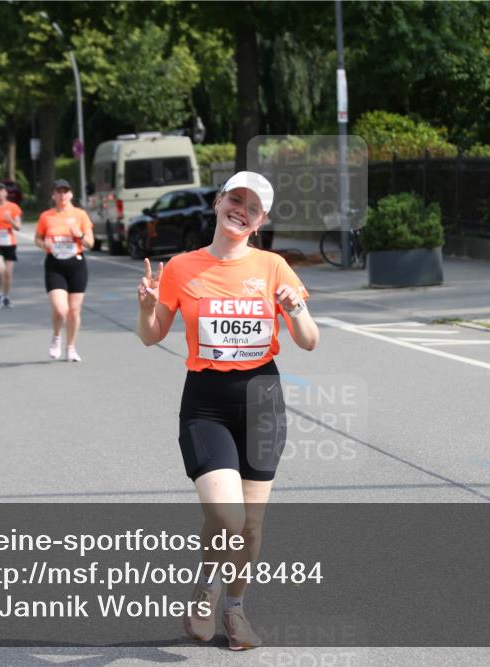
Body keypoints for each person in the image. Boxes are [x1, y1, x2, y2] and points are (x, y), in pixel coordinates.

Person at [135, 171, 318, 651]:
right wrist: (147, 307)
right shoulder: (181, 267)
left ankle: (234, 610)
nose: (241, 210)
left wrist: (295, 308)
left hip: (262, 400)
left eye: (252, 208)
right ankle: (207, 582)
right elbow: (153, 335)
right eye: (235, 199)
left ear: (260, 221)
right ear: (218, 203)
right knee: (228, 515)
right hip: (206, 403)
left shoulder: (274, 267)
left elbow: (309, 340)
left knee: (252, 525)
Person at [34, 179, 93, 362]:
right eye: (58, 191)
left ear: (71, 194)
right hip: (55, 265)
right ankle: (57, 336)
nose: (62, 195)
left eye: (65, 191)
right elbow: (37, 238)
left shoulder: (80, 215)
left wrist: (80, 235)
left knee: (74, 311)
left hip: (76, 265)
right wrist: (45, 244)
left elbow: (90, 243)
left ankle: (71, 347)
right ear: (53, 195)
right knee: (61, 309)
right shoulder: (46, 216)